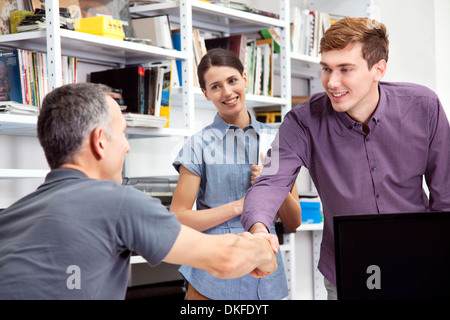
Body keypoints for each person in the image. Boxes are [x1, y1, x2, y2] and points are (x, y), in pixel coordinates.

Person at [0, 82, 278, 299]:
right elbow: (226, 259)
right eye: (122, 133)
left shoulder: (10, 218)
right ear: (100, 141)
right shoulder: (116, 202)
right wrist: (262, 248)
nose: (127, 146)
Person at [241, 17, 450, 300]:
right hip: (347, 271)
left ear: (378, 69)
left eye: (345, 69)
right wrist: (258, 231)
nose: (331, 82)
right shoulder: (302, 122)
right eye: (326, 68)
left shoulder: (424, 107)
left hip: (418, 262)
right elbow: (270, 181)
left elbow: (445, 194)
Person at [170, 48, 301, 300]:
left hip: (265, 268)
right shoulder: (198, 145)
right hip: (212, 273)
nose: (227, 92)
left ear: (244, 78)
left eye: (232, 81)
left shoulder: (275, 140)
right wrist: (238, 207)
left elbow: (293, 221)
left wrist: (272, 184)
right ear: (206, 94)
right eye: (216, 86)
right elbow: (178, 217)